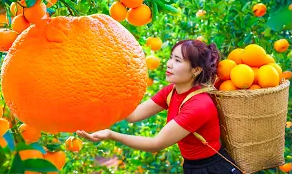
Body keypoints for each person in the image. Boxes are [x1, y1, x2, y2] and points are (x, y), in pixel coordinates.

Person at [77, 39, 242, 174]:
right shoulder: (172, 91)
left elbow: (156, 143)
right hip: (192, 167)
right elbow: (132, 116)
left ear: (196, 70)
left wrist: (111, 135)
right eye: (171, 57)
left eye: (177, 60)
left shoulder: (199, 105)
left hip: (213, 169)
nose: (169, 64)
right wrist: (108, 86)